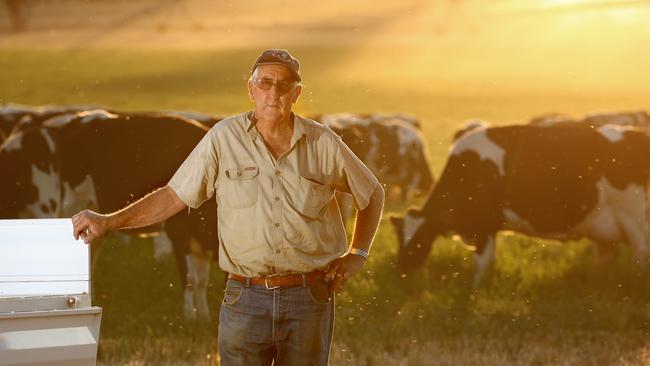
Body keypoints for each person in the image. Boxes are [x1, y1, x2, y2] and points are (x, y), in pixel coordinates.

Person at [72, 48, 384, 365]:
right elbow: (173, 196)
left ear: (296, 93)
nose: (273, 92)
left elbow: (371, 194)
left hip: (309, 297)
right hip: (245, 298)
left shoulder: (323, 143)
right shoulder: (223, 139)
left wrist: (358, 253)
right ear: (250, 89)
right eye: (265, 83)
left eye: (283, 84)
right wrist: (108, 221)